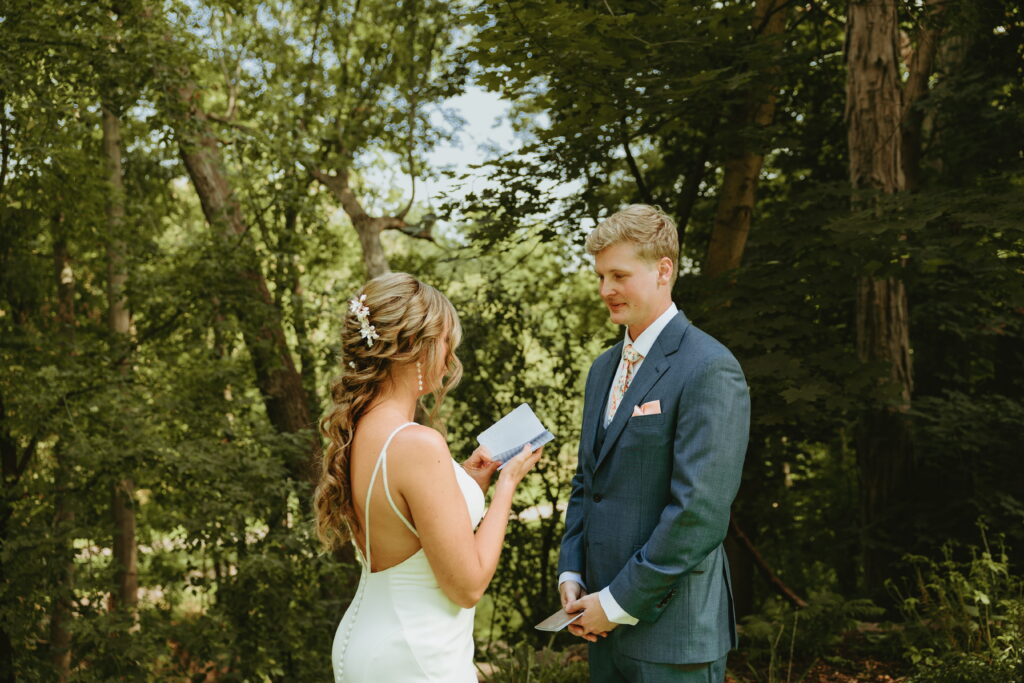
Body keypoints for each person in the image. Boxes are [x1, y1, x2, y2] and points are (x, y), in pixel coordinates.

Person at [314, 272, 542, 682]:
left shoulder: (359, 431)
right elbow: (468, 586)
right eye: (446, 342)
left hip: (368, 642)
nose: (451, 356)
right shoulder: (417, 443)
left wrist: (471, 480)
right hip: (417, 651)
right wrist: (507, 485)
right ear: (418, 348)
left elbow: (409, 527)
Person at [557, 205, 750, 682]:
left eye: (619, 275)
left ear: (664, 270)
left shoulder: (709, 367)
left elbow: (699, 511)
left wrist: (617, 602)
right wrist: (572, 571)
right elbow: (588, 481)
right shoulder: (602, 369)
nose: (605, 290)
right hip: (599, 626)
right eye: (601, 276)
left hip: (675, 636)